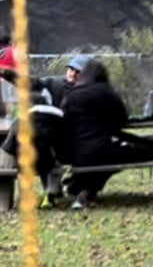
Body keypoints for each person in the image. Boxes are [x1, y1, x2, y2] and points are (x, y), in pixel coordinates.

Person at [60, 59, 152, 209]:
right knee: (128, 154)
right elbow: (122, 120)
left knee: (99, 160)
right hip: (103, 150)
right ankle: (83, 190)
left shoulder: (72, 95)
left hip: (74, 153)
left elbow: (64, 121)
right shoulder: (108, 93)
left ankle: (80, 188)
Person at [0, 53, 89, 201]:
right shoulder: (55, 83)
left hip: (69, 142)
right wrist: (9, 74)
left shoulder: (87, 93)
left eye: (77, 71)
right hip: (46, 137)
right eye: (71, 69)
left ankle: (57, 190)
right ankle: (51, 191)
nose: (72, 74)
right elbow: (31, 83)